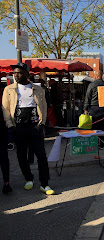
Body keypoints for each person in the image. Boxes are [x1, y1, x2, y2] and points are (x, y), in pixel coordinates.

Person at [2, 63, 54, 195]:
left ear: (26, 73)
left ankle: (44, 183)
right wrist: (11, 126)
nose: (15, 75)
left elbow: (43, 106)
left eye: (18, 73)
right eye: (14, 73)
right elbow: (5, 109)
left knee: (41, 155)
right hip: (18, 127)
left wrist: (41, 124)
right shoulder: (9, 89)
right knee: (21, 155)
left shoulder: (37, 89)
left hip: (35, 127)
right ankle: (28, 178)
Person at [84, 71, 104, 148]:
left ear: (96, 76)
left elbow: (88, 97)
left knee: (94, 127)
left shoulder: (92, 85)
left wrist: (85, 108)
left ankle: (94, 144)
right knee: (102, 126)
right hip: (103, 108)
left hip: (93, 107)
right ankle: (102, 143)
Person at [0, 82, 12, 194]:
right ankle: (6, 182)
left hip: (1, 127)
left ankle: (6, 182)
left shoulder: (3, 91)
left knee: (3, 157)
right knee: (3, 157)